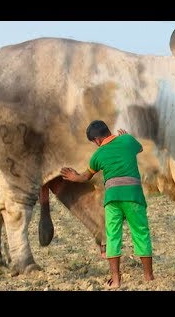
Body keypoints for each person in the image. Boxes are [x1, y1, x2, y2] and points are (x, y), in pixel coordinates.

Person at [60, 120, 154, 288]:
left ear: (96, 140)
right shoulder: (127, 140)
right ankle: (148, 277)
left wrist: (74, 177)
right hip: (134, 196)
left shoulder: (98, 155)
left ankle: (116, 280)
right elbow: (139, 148)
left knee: (112, 237)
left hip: (112, 199)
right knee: (141, 233)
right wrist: (127, 137)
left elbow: (85, 177)